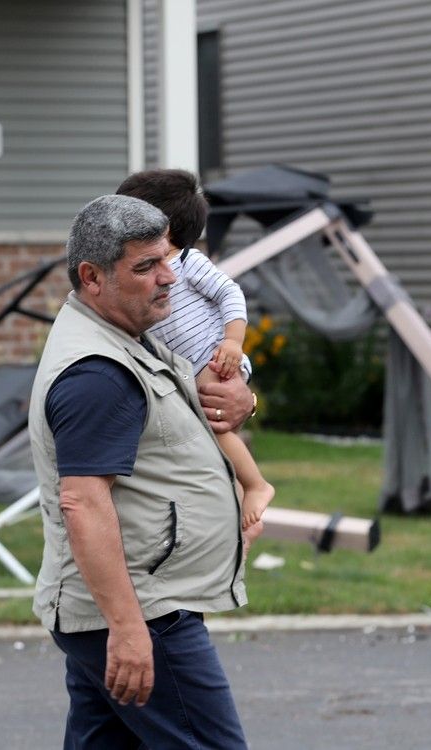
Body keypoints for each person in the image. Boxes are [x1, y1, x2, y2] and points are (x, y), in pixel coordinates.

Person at [29, 195, 262, 749]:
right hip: (145, 612)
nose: (168, 279)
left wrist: (244, 403)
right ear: (92, 277)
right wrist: (130, 631)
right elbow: (83, 502)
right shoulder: (97, 373)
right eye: (145, 267)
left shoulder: (131, 334)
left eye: (168, 260)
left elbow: (199, 408)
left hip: (131, 607)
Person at [117, 168, 275, 530]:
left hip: (211, 357)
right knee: (208, 439)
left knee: (216, 429)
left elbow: (230, 294)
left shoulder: (188, 263)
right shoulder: (136, 273)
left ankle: (256, 485)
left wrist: (233, 341)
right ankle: (238, 503)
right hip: (186, 367)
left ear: (163, 228)